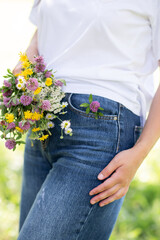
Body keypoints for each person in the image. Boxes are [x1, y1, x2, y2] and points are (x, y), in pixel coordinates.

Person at [13, 0, 160, 239]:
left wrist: (140, 152)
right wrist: (23, 71)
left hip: (100, 135)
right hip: (42, 122)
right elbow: (42, 32)